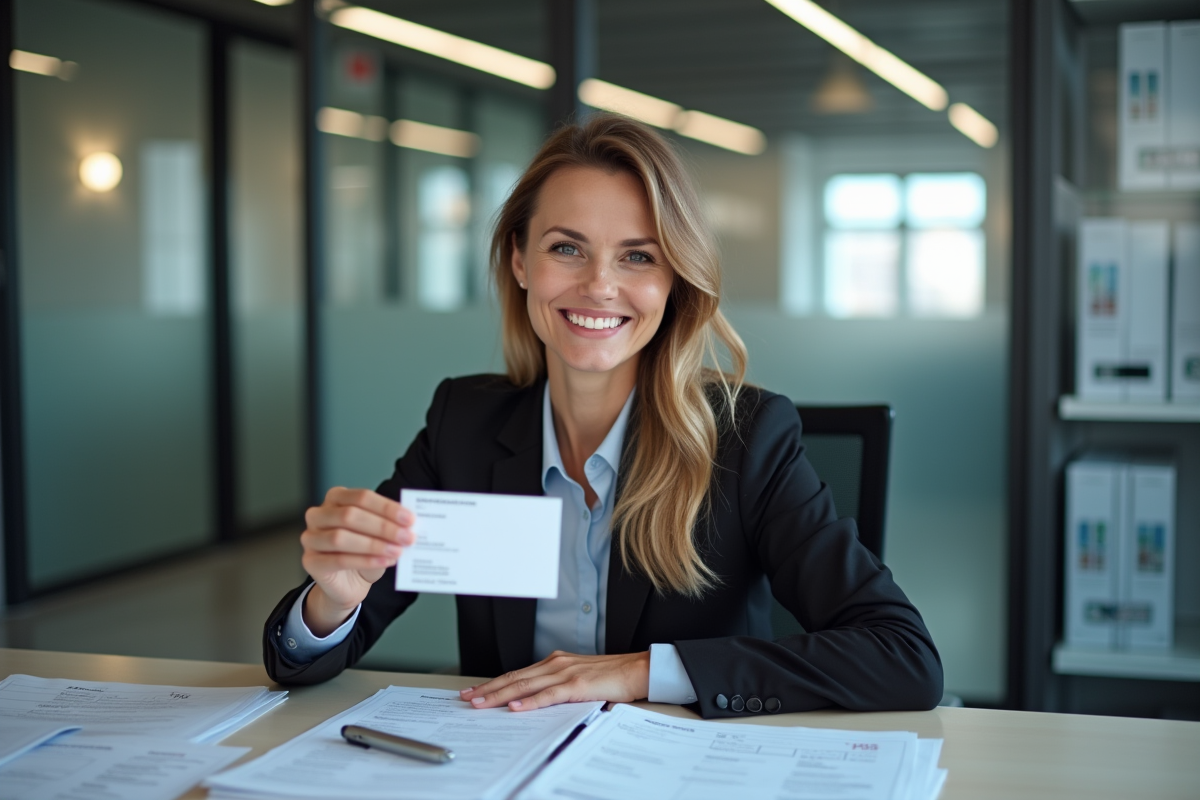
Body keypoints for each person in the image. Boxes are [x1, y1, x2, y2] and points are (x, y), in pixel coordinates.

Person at [263, 113, 942, 718]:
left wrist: (638, 672)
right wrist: (334, 601)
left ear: (674, 281)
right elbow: (303, 660)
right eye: (567, 248)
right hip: (507, 769)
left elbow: (902, 656)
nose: (599, 285)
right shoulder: (463, 424)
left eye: (638, 257)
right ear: (519, 260)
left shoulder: (746, 439)